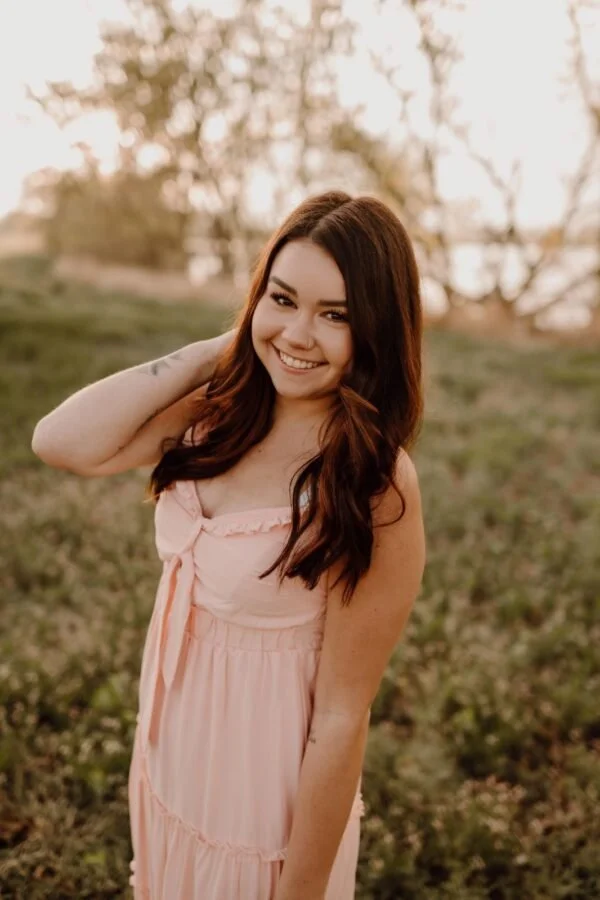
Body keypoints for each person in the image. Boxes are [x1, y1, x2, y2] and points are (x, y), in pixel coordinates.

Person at [32, 190, 427, 900]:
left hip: (261, 813)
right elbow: (59, 442)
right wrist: (217, 349)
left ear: (377, 330)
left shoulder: (374, 482)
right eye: (283, 299)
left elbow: (342, 717)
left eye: (334, 315)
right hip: (171, 760)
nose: (299, 335)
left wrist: (299, 892)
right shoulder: (217, 417)